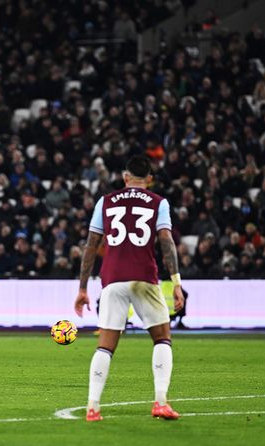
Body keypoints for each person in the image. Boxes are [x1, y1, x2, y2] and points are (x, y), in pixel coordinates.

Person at [74, 154, 185, 421]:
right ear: (149, 179)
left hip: (112, 278)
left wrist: (82, 288)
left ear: (125, 178)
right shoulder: (159, 203)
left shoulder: (106, 201)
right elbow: (167, 242)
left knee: (105, 346)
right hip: (144, 277)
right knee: (162, 338)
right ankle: (160, 402)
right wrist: (177, 282)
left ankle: (92, 407)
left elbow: (90, 246)